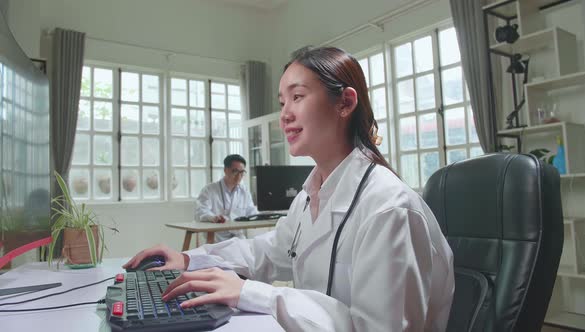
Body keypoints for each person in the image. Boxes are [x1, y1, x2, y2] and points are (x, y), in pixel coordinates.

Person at [124, 46, 454, 331]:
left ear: (345, 103)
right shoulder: (310, 194)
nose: (285, 115)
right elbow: (265, 252)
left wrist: (249, 292)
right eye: (282, 102)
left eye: (297, 97)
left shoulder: (388, 207)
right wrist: (187, 260)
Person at [195, 154, 259, 242]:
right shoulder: (209, 190)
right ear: (225, 170)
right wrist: (213, 217)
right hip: (215, 237)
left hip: (237, 237)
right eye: (235, 171)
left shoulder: (244, 191)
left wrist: (262, 216)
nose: (239, 176)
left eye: (242, 172)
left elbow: (251, 212)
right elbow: (201, 211)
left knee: (251, 250)